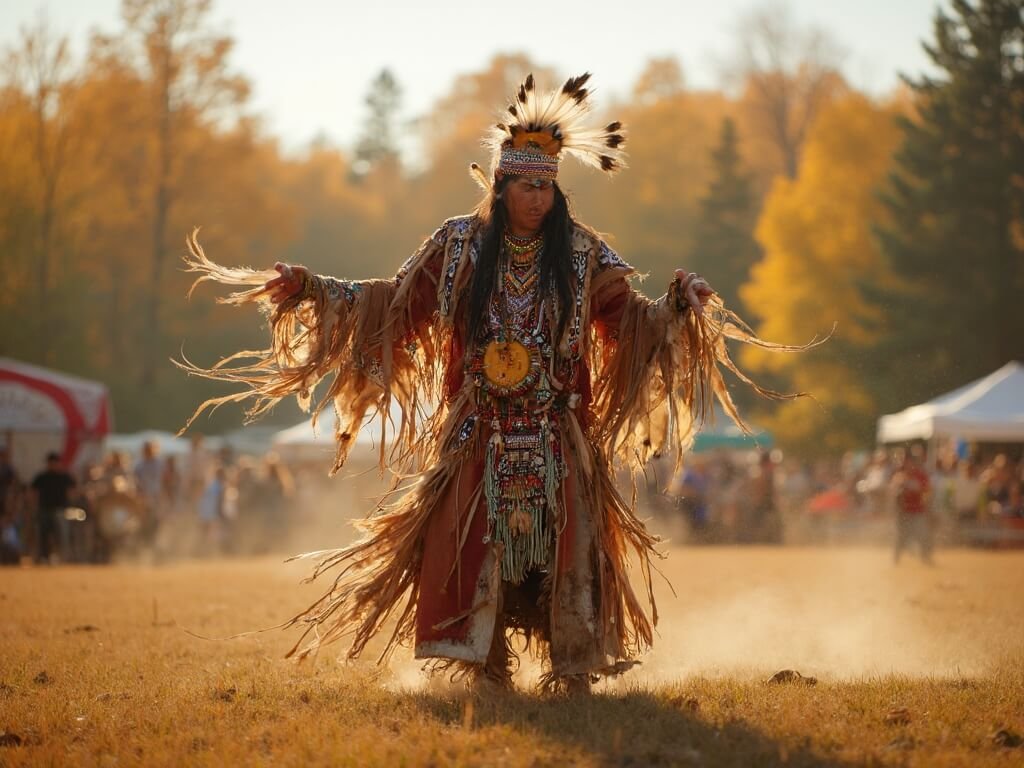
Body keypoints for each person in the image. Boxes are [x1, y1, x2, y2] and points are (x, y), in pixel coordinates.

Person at [179, 73, 803, 692]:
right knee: (474, 546)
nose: (539, 199)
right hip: (478, 429)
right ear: (502, 184)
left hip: (559, 430)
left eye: (548, 187)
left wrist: (678, 305)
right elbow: (394, 304)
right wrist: (313, 287)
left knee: (566, 549)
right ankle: (484, 662)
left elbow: (633, 321)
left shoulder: (583, 255)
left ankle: (572, 665)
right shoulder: (456, 247)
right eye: (527, 185)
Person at [29, 452, 76, 564]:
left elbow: (73, 491)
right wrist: (34, 507)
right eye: (51, 463)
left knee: (61, 535)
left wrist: (69, 505)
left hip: (60, 510)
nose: (53, 465)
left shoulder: (64, 477)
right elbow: (33, 493)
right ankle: (43, 557)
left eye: (55, 463)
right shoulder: (41, 477)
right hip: (44, 509)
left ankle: (62, 557)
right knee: (43, 535)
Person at [891, 449, 933, 564]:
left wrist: (926, 506)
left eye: (910, 462)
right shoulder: (899, 477)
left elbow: (927, 492)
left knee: (923, 534)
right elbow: (894, 494)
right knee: (900, 537)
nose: (908, 465)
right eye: (906, 462)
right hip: (904, 512)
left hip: (918, 510)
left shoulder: (921, 476)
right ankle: (896, 559)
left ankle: (926, 558)